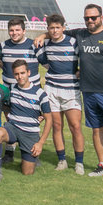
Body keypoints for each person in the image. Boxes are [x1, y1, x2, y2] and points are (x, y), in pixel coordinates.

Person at [39, 4, 103, 182]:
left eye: (94, 17)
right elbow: (57, 30)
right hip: (89, 92)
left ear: (101, 17)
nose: (90, 21)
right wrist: (43, 34)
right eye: (87, 18)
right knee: (96, 130)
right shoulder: (80, 34)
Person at [35, 13, 84, 174]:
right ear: (47, 29)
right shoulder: (45, 43)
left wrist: (79, 71)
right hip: (52, 89)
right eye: (51, 28)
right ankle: (62, 160)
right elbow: (44, 62)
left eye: (58, 27)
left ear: (63, 28)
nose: (55, 31)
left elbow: (86, 60)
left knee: (75, 126)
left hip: (71, 89)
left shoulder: (73, 42)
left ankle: (79, 162)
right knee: (56, 126)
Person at [0, 59, 52, 182]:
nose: (20, 76)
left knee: (27, 172)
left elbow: (49, 119)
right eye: (17, 74)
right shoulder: (11, 89)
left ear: (28, 72)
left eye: (22, 73)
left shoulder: (40, 94)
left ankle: (30, 158)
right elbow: (6, 106)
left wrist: (40, 143)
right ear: (14, 75)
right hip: (12, 128)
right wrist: (9, 119)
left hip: (30, 133)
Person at [0, 17, 41, 163]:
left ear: (24, 31)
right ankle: (9, 153)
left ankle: (34, 152)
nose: (14, 33)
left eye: (17, 30)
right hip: (10, 93)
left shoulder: (34, 45)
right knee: (10, 120)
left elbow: (48, 65)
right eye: (11, 30)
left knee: (32, 122)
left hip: (30, 93)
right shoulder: (3, 45)